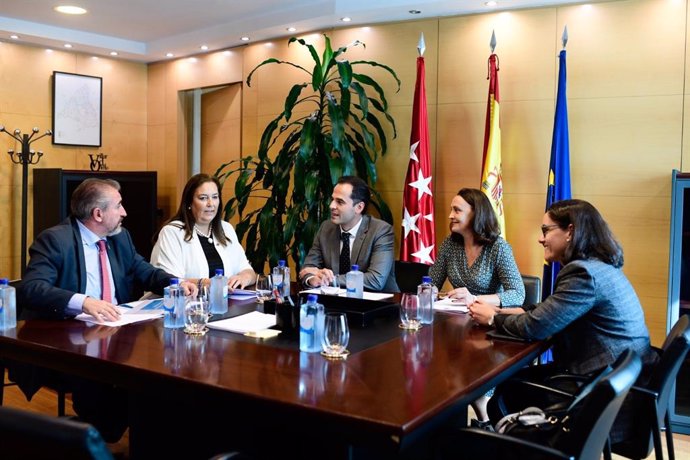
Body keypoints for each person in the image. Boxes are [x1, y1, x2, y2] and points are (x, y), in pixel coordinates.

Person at [17, 178, 197, 442]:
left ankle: (146, 437)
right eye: (119, 205)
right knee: (112, 389)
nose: (124, 212)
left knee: (163, 372)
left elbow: (143, 270)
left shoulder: (120, 237)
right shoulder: (56, 239)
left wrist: (176, 282)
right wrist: (84, 301)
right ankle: (99, 433)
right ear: (98, 213)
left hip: (119, 330)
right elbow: (31, 288)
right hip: (72, 338)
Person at [468, 199, 657, 441]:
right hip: (620, 384)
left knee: (505, 392)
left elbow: (537, 326)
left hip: (600, 397)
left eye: (546, 230)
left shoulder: (583, 273)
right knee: (511, 384)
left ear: (571, 232)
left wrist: (494, 318)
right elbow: (551, 310)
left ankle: (522, 448)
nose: (541, 238)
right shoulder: (600, 267)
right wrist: (516, 311)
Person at [429, 187, 525, 428]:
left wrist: (475, 298)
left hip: (489, 330)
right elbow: (431, 281)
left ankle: (485, 423)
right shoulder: (450, 245)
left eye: (456, 210)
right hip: (455, 327)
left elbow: (518, 293)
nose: (450, 215)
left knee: (472, 378)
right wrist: (428, 291)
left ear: (476, 214)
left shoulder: (498, 248)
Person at [150, 173, 256, 291]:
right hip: (186, 305)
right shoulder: (172, 232)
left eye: (215, 197)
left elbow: (247, 270)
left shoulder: (226, 229)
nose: (211, 204)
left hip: (224, 304)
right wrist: (206, 283)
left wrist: (244, 277)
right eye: (203, 198)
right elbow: (169, 280)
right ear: (189, 202)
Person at [299, 176, 398, 292]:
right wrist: (312, 279)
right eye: (332, 199)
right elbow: (307, 269)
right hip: (336, 303)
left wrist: (330, 279)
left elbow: (375, 280)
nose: (331, 206)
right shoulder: (326, 228)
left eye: (340, 202)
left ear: (359, 207)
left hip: (379, 305)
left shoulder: (381, 231)